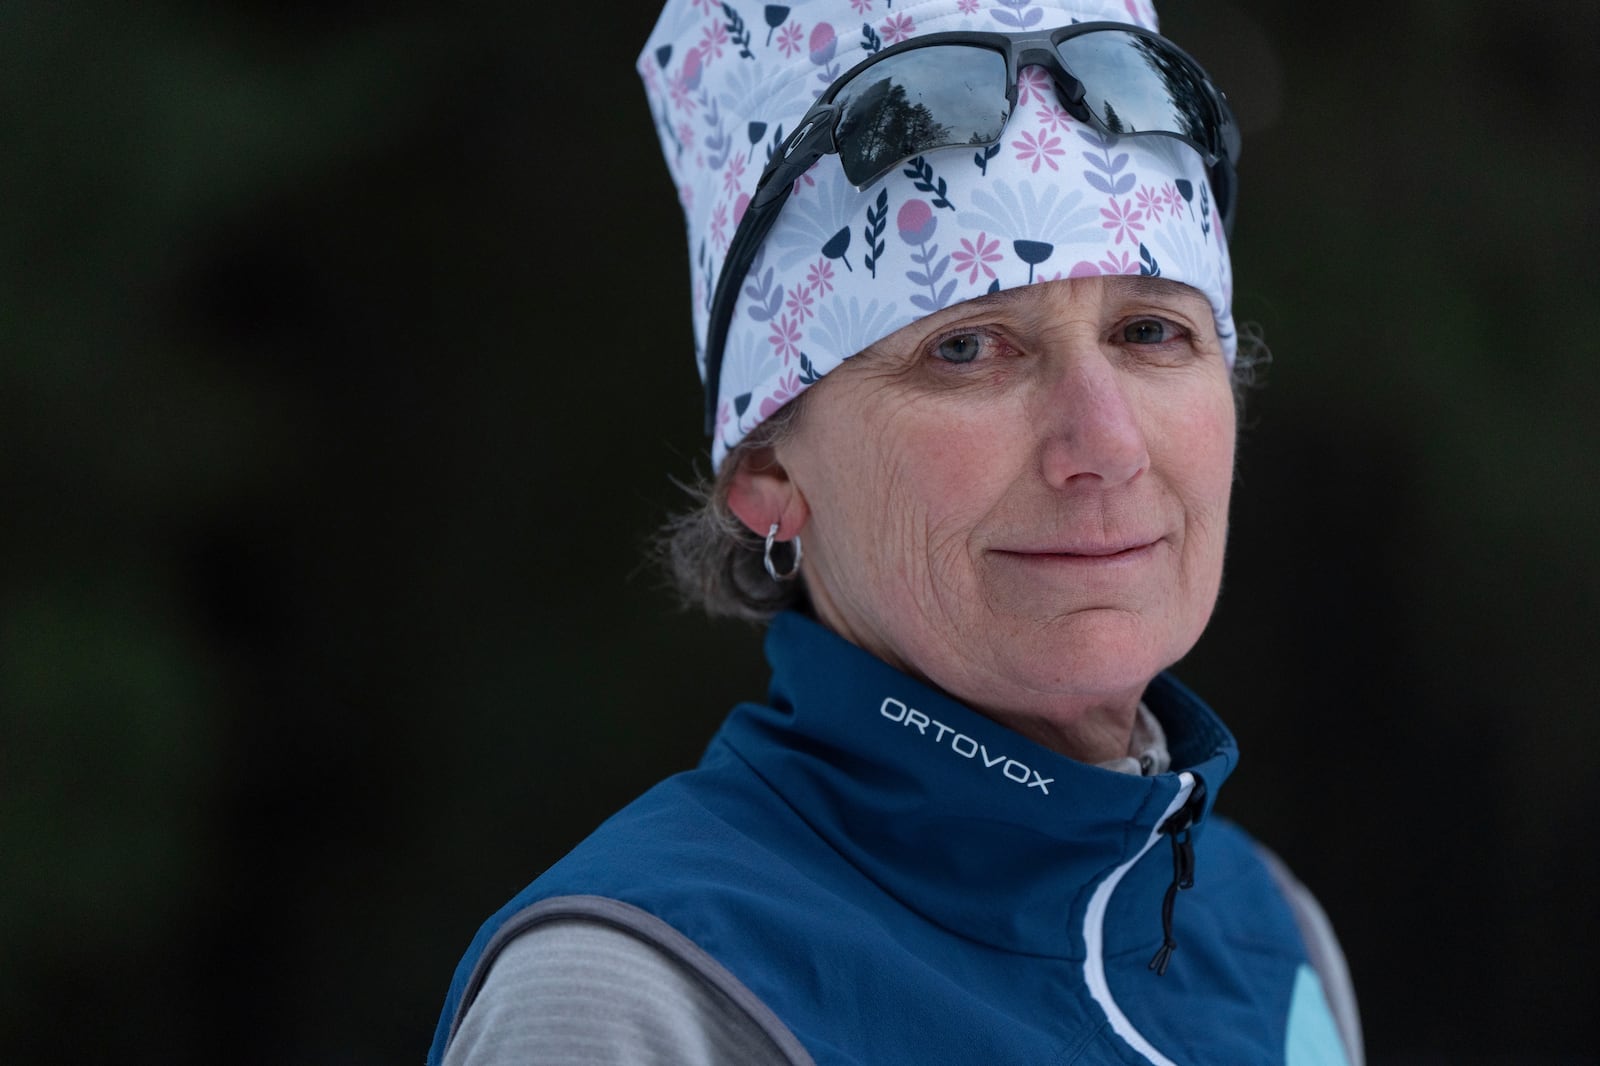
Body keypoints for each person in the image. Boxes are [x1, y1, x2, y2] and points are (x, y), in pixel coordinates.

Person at [428, 0, 1362, 1062]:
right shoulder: (641, 992)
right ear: (770, 471)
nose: (1104, 444)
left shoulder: (1269, 939)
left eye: (1151, 331)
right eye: (967, 348)